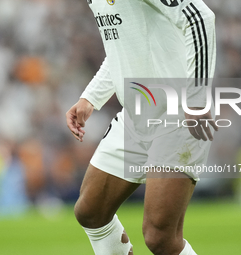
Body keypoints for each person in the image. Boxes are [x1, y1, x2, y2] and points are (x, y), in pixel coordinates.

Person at [66, 0, 218, 254]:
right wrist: (91, 96)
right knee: (90, 211)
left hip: (177, 114)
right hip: (136, 116)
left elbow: (200, 17)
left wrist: (197, 98)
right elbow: (123, 47)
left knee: (160, 236)